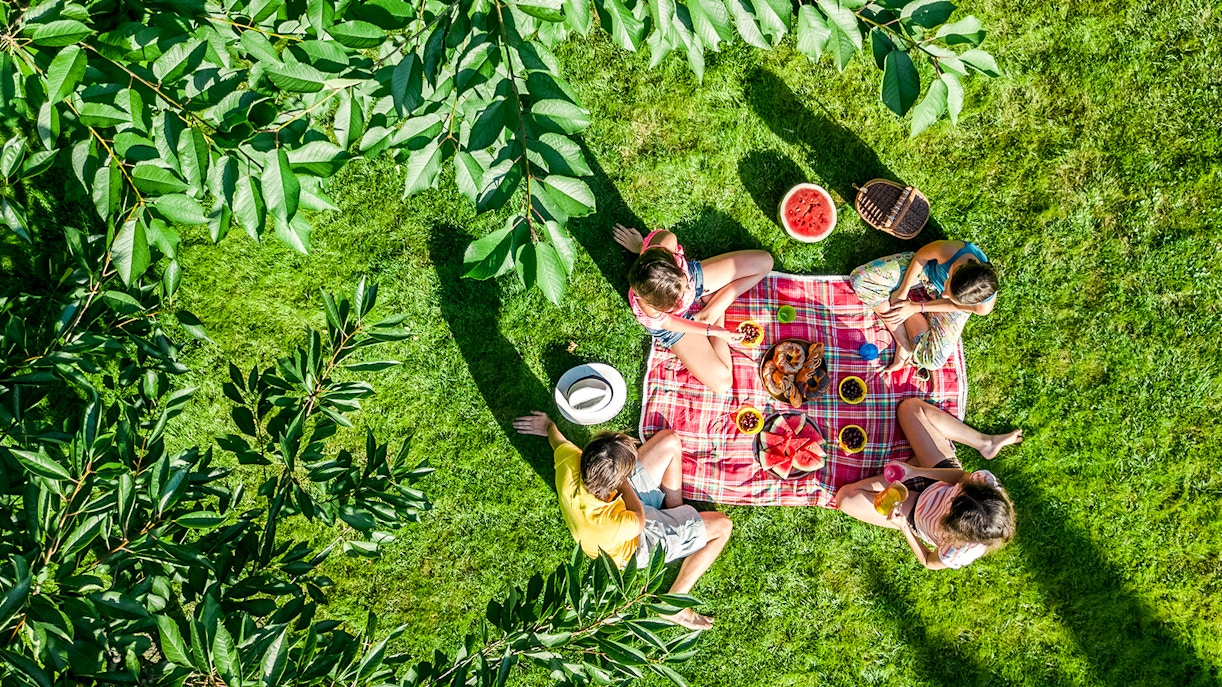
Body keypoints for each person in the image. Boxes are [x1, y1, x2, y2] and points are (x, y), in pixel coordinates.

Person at [513, 410, 732, 629]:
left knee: (670, 440)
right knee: (723, 526)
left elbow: (557, 439)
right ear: (618, 478)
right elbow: (641, 519)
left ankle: (676, 512)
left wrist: (548, 425)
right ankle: (674, 601)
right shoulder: (613, 525)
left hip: (617, 497)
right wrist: (625, 484)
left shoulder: (570, 463)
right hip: (637, 543)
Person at [833, 398, 1022, 570]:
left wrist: (903, 526)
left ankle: (916, 461)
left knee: (846, 499)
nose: (954, 495)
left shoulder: (959, 549)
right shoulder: (986, 485)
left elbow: (929, 561)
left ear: (955, 525)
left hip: (916, 512)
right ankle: (985, 443)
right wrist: (916, 471)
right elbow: (959, 477)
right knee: (910, 409)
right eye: (961, 493)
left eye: (955, 501)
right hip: (941, 478)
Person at [614, 223, 773, 394]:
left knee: (765, 262)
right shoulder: (648, 309)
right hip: (674, 324)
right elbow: (669, 323)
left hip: (683, 276)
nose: (690, 291)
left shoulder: (666, 241)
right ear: (661, 305)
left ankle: (708, 311)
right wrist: (714, 331)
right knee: (723, 383)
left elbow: (656, 254)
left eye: (684, 285)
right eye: (681, 295)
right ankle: (715, 309)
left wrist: (640, 247)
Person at [849, 240, 998, 375]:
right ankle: (903, 341)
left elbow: (954, 305)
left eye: (951, 296)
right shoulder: (949, 251)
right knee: (860, 279)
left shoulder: (983, 307)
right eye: (947, 288)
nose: (944, 294)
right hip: (926, 273)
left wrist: (915, 308)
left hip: (945, 308)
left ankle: (902, 315)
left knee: (932, 360)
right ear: (955, 271)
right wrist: (903, 290)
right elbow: (921, 257)